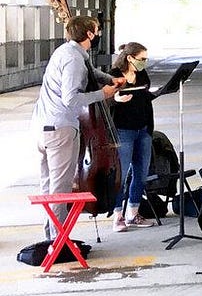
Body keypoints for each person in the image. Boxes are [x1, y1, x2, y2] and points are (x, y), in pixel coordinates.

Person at [32, 15, 123, 239]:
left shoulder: (68, 52)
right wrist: (103, 94)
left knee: (48, 186)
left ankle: (51, 237)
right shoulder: (73, 59)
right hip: (60, 128)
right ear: (89, 34)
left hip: (42, 126)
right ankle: (59, 240)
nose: (99, 34)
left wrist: (111, 80)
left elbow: (90, 71)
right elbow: (70, 99)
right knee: (60, 189)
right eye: (97, 30)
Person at [108, 42, 171, 231]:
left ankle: (133, 213)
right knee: (121, 174)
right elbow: (105, 99)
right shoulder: (115, 74)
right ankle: (117, 215)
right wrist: (116, 99)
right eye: (142, 59)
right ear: (130, 58)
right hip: (123, 130)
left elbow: (144, 95)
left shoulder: (141, 74)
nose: (144, 62)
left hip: (143, 129)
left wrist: (160, 92)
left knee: (141, 173)